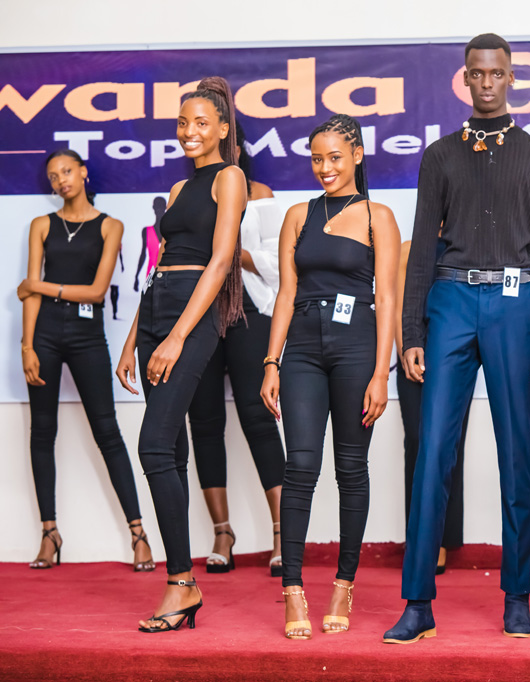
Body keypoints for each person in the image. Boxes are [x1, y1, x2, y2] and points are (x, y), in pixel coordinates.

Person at [384, 33, 530, 644]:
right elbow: (421, 247)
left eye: (496, 73)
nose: (486, 82)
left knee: (518, 449)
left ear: (511, 77)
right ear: (465, 79)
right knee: (432, 448)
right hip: (452, 299)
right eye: (476, 73)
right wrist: (412, 330)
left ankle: (518, 597)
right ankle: (417, 603)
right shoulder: (439, 156)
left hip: (516, 304)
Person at [260, 113, 399, 640]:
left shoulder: (378, 217)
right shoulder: (298, 214)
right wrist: (271, 361)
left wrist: (381, 372)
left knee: (350, 467)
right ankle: (293, 590)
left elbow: (388, 298)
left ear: (357, 155)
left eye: (335, 157)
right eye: (317, 159)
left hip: (357, 347)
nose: (325, 168)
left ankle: (344, 584)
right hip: (302, 348)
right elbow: (286, 294)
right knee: (300, 465)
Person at [115, 76, 247, 633]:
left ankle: (180, 582)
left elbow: (220, 262)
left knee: (151, 445)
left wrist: (176, 337)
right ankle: (181, 579)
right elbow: (160, 262)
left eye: (201, 123)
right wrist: (134, 338)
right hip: (157, 306)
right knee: (166, 448)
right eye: (182, 122)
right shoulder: (176, 189)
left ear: (222, 128)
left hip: (192, 314)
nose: (189, 131)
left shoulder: (230, 177)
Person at [17, 149, 155, 573]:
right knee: (42, 432)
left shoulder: (110, 225)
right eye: (52, 176)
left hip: (87, 335)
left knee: (108, 432)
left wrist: (39, 285)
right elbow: (30, 295)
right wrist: (26, 346)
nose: (60, 180)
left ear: (83, 172)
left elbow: (96, 292)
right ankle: (50, 533)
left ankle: (139, 535)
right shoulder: (42, 225)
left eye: (66, 171)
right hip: (44, 334)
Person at [187, 123, 286, 577]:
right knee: (204, 421)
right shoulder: (189, 193)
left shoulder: (259, 193)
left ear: (234, 143)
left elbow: (280, 264)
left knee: (258, 417)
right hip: (202, 315)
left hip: (248, 313)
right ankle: (222, 533)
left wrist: (229, 249)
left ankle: (282, 533)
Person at [396, 233, 474, 576]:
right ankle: (418, 538)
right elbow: (399, 303)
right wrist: (405, 349)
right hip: (414, 353)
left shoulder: (469, 247)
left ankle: (441, 539)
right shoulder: (409, 249)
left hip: (457, 355)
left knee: (449, 444)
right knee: (416, 443)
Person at [133, 197, 164, 292]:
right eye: (157, 206)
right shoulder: (146, 231)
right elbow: (143, 254)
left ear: (165, 207)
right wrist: (136, 276)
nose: (159, 209)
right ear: (153, 207)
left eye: (161, 206)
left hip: (168, 273)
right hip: (151, 273)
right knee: (146, 296)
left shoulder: (171, 231)